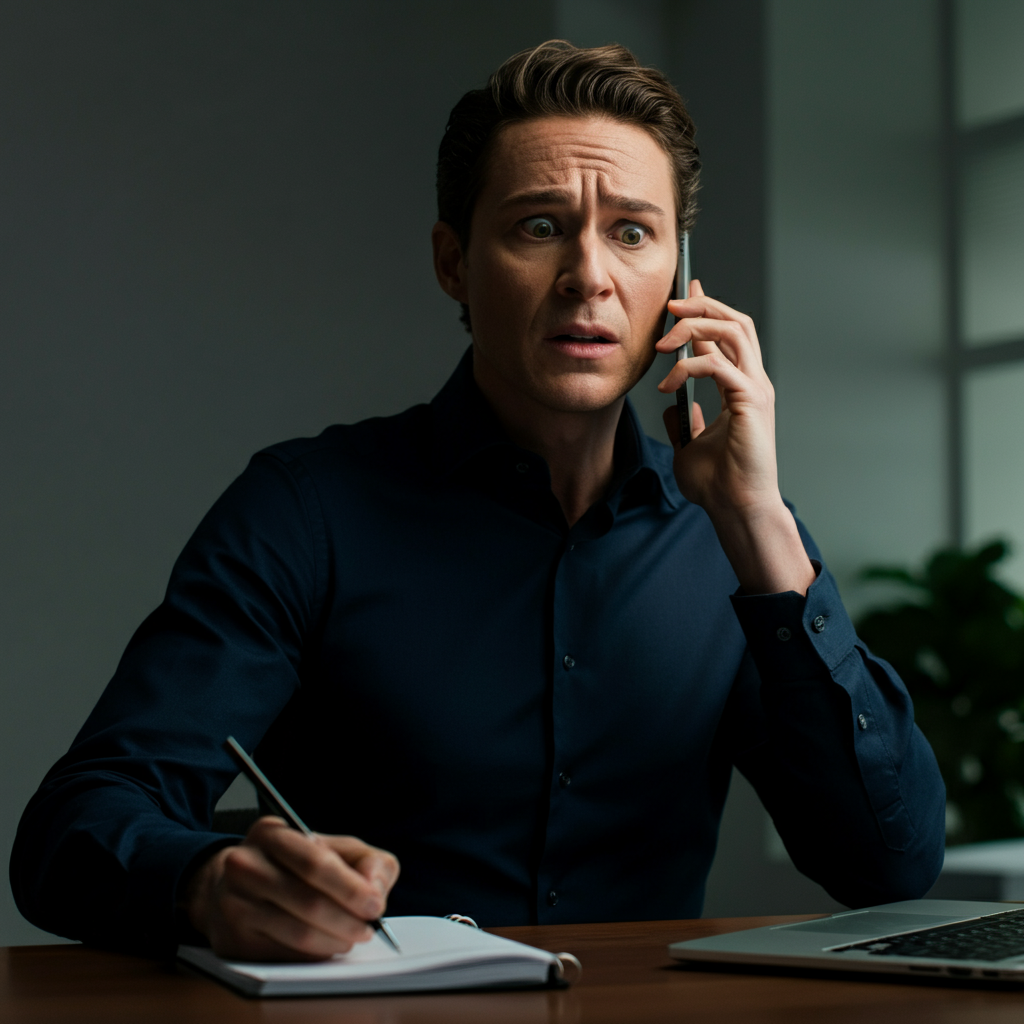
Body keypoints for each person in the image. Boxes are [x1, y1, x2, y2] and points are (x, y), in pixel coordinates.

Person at [11, 41, 945, 961]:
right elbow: (75, 827)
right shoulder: (304, 512)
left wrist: (758, 526)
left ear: (679, 278)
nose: (590, 275)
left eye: (631, 230)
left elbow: (887, 866)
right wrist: (210, 884)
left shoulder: (734, 540)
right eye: (540, 227)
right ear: (453, 263)